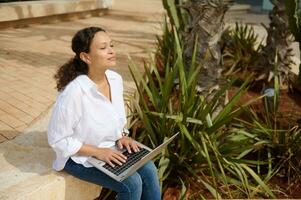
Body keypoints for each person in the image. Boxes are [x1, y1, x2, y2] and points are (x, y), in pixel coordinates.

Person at [47, 27, 161, 200]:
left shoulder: (115, 79)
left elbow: (115, 119)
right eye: (103, 48)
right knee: (131, 184)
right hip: (78, 157)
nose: (111, 51)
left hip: (111, 148)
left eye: (111, 45)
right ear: (86, 57)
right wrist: (97, 152)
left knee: (150, 169)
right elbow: (58, 140)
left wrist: (123, 136)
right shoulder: (74, 93)